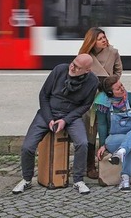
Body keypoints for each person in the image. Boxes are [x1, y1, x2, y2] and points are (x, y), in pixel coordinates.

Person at [12, 54, 99, 195]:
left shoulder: (92, 81)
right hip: (48, 113)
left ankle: (78, 180)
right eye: (73, 62)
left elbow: (85, 106)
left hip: (70, 116)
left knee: (82, 143)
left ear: (87, 70)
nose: (72, 66)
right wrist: (49, 119)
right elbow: (43, 95)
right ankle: (26, 179)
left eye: (77, 67)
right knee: (28, 146)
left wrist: (66, 120)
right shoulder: (59, 70)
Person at [78, 27, 123, 179]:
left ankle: (108, 163)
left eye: (104, 37)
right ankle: (89, 165)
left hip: (107, 94)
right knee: (90, 130)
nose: (104, 40)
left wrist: (110, 83)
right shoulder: (84, 56)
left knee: (109, 128)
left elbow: (118, 72)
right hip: (90, 98)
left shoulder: (113, 52)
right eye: (100, 38)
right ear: (92, 41)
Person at [95, 75, 131, 192]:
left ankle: (122, 151)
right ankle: (125, 177)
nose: (122, 89)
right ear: (110, 92)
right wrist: (103, 145)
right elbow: (102, 125)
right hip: (117, 138)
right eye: (118, 88)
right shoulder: (103, 104)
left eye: (122, 85)